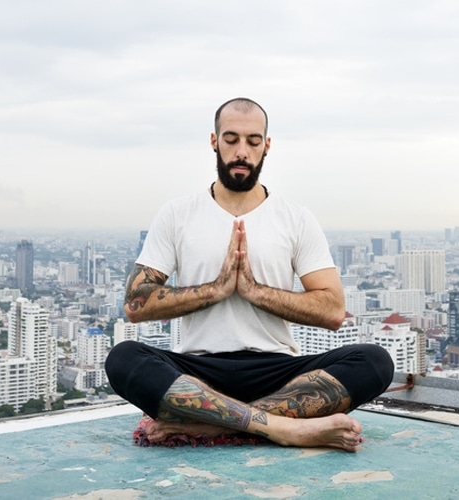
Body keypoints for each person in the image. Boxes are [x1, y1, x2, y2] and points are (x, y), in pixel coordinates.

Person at [105, 97, 394, 453]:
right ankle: (284, 429)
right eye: (231, 139)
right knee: (123, 358)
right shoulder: (178, 214)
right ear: (214, 142)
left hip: (279, 374)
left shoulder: (295, 218)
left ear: (266, 147)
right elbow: (136, 303)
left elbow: (332, 310)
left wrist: (256, 292)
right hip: (197, 373)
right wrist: (217, 289)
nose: (242, 151)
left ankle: (207, 426)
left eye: (253, 141)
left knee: (375, 362)